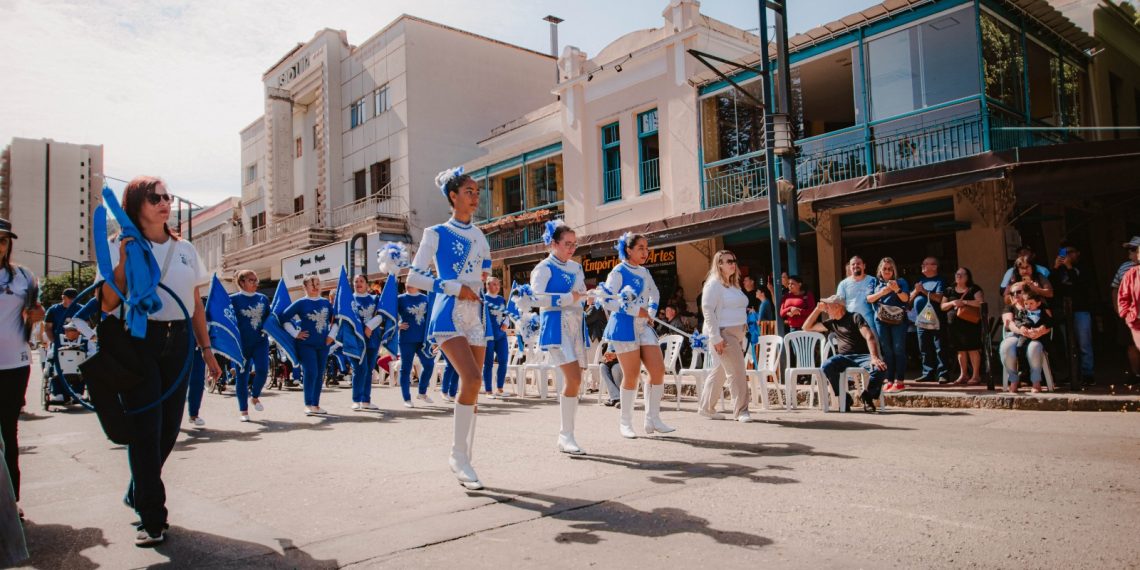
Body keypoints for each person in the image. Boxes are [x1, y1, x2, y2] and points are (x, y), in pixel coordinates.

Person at [97, 177, 221, 547]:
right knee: (145, 429)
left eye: (167, 197)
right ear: (136, 203)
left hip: (180, 340)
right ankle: (152, 516)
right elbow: (106, 303)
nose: (165, 203)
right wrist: (122, 262)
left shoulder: (185, 249)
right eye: (155, 198)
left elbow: (195, 302)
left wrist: (207, 349)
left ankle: (139, 490)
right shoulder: (122, 244)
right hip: (140, 340)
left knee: (168, 429)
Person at [406, 167, 492, 490]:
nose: (475, 197)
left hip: (475, 314)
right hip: (449, 313)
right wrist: (455, 288)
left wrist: (483, 285)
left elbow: (484, 270)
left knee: (473, 388)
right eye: (469, 191)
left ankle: (466, 457)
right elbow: (413, 278)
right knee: (471, 377)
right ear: (453, 196)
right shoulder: (435, 233)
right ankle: (458, 456)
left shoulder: (481, 236)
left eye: (477, 192)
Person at [601, 232, 674, 439]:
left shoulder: (644, 271)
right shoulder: (618, 271)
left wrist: (650, 313)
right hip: (624, 327)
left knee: (658, 370)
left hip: (644, 327)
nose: (645, 252)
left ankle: (653, 419)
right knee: (631, 375)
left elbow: (655, 293)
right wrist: (634, 310)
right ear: (628, 250)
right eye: (640, 248)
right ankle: (625, 422)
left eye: (646, 248)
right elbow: (607, 300)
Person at [530, 220, 590, 455]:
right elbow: (535, 299)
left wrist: (590, 296)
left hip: (576, 325)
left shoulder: (576, 267)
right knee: (574, 378)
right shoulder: (543, 268)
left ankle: (567, 434)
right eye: (567, 244)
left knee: (576, 380)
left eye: (574, 244)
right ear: (553, 243)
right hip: (556, 327)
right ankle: (566, 436)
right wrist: (568, 298)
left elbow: (580, 294)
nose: (571, 248)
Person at [0, 217, 44, 519]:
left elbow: (37, 312)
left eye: (3, 241)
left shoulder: (23, 277)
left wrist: (36, 313)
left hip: (15, 363)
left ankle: (11, 502)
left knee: (9, 432)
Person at [802, 294, 887, 412]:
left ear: (837, 306)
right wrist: (817, 310)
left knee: (880, 368)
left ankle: (867, 396)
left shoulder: (855, 317)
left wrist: (874, 357)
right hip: (843, 357)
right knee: (827, 366)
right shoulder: (832, 322)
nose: (826, 308)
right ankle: (844, 397)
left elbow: (869, 336)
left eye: (828, 306)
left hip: (862, 356)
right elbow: (806, 327)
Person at [697, 250, 751, 422]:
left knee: (720, 370)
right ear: (719, 264)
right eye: (728, 261)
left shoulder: (734, 284)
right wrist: (715, 337)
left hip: (738, 332)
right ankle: (741, 411)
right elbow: (708, 311)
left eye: (734, 260)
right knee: (737, 372)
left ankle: (706, 407)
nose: (732, 263)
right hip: (724, 333)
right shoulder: (713, 284)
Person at [281, 275, 337, 416]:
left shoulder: (325, 303)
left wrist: (332, 335)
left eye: (318, 283)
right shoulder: (301, 303)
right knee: (311, 372)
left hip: (323, 345)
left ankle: (316, 405)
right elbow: (283, 318)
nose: (315, 286)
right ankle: (308, 404)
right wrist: (295, 333)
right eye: (312, 284)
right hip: (306, 345)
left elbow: (336, 320)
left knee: (319, 374)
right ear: (304, 287)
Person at [230, 269, 270, 421]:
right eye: (251, 280)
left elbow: (269, 319)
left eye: (256, 280)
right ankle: (243, 411)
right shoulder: (233, 300)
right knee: (242, 376)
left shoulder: (263, 299)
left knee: (262, 370)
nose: (255, 283)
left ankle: (255, 396)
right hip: (241, 344)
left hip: (260, 341)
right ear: (241, 282)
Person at [1052, 244, 1094, 387]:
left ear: (1078, 253)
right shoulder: (1059, 270)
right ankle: (1073, 373)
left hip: (1081, 309)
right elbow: (1053, 288)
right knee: (1068, 345)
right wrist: (1055, 268)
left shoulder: (1084, 268)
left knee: (1084, 344)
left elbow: (1081, 286)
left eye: (1070, 252)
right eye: (1064, 253)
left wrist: (1070, 268)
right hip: (1064, 311)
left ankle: (1088, 374)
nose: (1067, 256)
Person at [868, 257, 910, 392]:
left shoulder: (901, 281)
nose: (887, 271)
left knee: (899, 349)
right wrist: (883, 292)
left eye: (890, 269)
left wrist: (897, 289)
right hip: (880, 320)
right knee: (887, 350)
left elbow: (906, 299)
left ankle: (900, 381)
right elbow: (868, 299)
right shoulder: (874, 282)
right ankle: (889, 380)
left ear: (894, 270)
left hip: (898, 320)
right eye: (884, 268)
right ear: (880, 269)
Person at [941, 267, 985, 385]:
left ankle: (976, 375)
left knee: (972, 349)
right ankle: (963, 374)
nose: (958, 276)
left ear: (968, 276)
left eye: (962, 274)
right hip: (954, 325)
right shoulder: (949, 290)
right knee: (960, 350)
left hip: (970, 324)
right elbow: (942, 306)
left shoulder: (974, 289)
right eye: (957, 274)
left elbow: (981, 303)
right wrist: (952, 302)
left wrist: (965, 302)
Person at [911, 257, 950, 383]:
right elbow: (909, 300)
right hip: (921, 320)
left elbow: (939, 298)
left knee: (939, 346)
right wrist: (915, 292)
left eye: (926, 264)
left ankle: (943, 373)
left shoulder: (941, 280)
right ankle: (927, 372)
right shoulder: (920, 280)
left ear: (935, 266)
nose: (922, 265)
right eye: (923, 263)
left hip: (936, 319)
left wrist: (922, 291)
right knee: (924, 347)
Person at [1006, 292, 1053, 393]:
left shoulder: (1043, 312)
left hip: (1040, 337)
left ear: (1038, 303)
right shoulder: (1023, 312)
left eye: (1031, 303)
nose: (1029, 306)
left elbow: (1049, 322)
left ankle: (1038, 379)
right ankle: (1022, 368)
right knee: (1020, 347)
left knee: (1040, 347)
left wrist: (1041, 328)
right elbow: (1018, 321)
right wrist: (1022, 327)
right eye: (1026, 304)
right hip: (1026, 335)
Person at [397, 285, 436, 407]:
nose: (409, 284)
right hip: (406, 339)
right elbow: (389, 314)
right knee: (406, 369)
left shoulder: (426, 298)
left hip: (423, 340)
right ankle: (406, 398)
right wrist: (397, 324)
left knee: (429, 364)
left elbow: (432, 317)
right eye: (407, 281)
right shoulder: (400, 298)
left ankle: (422, 392)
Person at [349, 274, 383, 411]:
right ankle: (356, 399)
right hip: (355, 339)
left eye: (361, 281)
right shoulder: (349, 299)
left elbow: (382, 314)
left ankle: (366, 400)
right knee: (359, 369)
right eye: (355, 281)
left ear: (367, 284)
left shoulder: (374, 299)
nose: (358, 283)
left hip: (372, 339)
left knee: (368, 370)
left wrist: (370, 325)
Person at [42, 287, 81, 403]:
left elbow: (87, 326)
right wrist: (53, 341)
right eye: (70, 299)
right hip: (58, 343)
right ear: (63, 298)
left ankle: (78, 392)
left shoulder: (81, 309)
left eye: (75, 299)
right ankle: (58, 393)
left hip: (77, 344)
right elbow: (48, 328)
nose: (73, 301)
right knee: (54, 365)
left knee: (82, 363)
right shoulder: (54, 310)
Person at [1111, 237, 1140, 384]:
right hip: (1132, 315)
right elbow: (1117, 290)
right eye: (1130, 249)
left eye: (1134, 249)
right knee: (1131, 345)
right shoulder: (1125, 269)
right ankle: (1136, 374)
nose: (1130, 253)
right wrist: (1120, 310)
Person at [482, 277, 510, 398]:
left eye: (498, 284)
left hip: (501, 335)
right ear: (487, 285)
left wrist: (507, 323)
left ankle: (500, 389)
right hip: (488, 335)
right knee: (488, 363)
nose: (497, 286)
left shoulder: (501, 299)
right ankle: (488, 390)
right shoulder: (483, 299)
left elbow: (506, 314)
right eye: (494, 284)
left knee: (503, 361)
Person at [835, 256, 878, 334]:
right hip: (851, 324)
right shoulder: (843, 284)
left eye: (858, 263)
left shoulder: (873, 280)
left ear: (864, 266)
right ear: (850, 267)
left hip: (869, 324)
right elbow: (839, 304)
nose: (855, 266)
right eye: (853, 264)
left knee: (872, 345)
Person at [1117, 263, 1140, 365]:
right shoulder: (1131, 273)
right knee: (1133, 347)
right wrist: (1126, 315)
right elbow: (1122, 297)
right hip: (1137, 319)